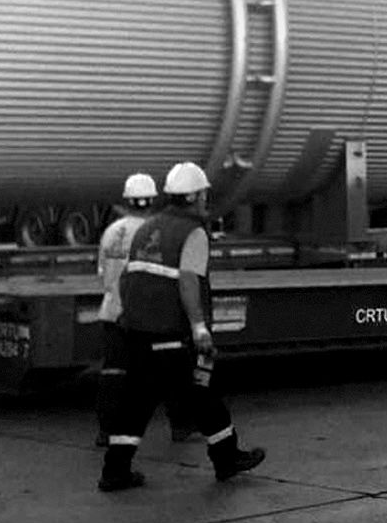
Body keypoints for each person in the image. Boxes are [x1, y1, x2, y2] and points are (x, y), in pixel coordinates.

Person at [98, 161, 266, 492]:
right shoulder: (193, 232)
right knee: (201, 395)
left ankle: (114, 471)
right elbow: (188, 280)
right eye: (203, 194)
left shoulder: (149, 229)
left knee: (135, 401)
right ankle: (227, 458)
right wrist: (200, 328)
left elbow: (129, 278)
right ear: (194, 197)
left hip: (137, 330)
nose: (206, 199)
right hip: (170, 333)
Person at [93, 172, 197, 448]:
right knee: (170, 372)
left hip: (112, 311)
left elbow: (102, 273)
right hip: (144, 316)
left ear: (126, 200)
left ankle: (106, 431)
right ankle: (181, 427)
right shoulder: (153, 231)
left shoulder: (112, 232)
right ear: (152, 200)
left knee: (113, 373)